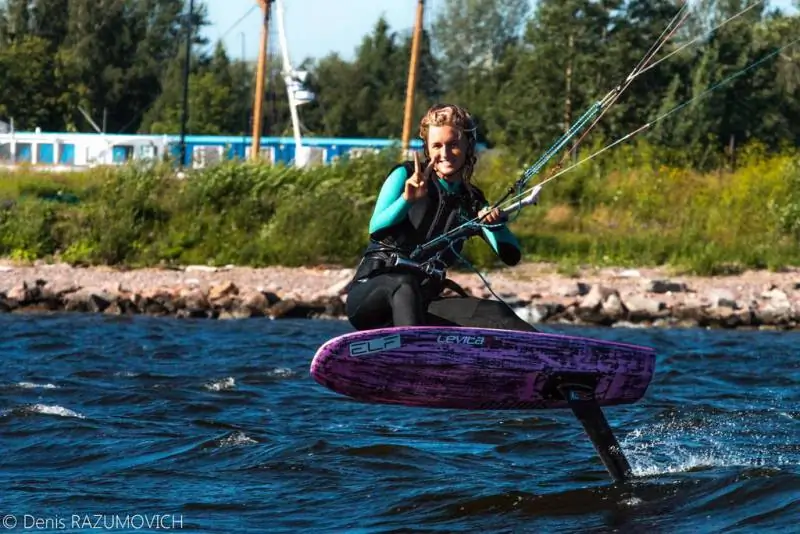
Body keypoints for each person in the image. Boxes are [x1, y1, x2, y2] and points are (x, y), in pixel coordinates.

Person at [345, 103, 537, 332]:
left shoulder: (472, 200)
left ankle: (555, 360)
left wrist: (494, 225)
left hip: (424, 304)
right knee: (404, 286)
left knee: (496, 313)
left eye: (453, 145)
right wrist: (407, 200)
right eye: (437, 145)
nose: (444, 154)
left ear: (468, 147)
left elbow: (511, 255)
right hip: (373, 296)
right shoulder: (405, 175)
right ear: (427, 148)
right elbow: (376, 228)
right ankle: (412, 359)